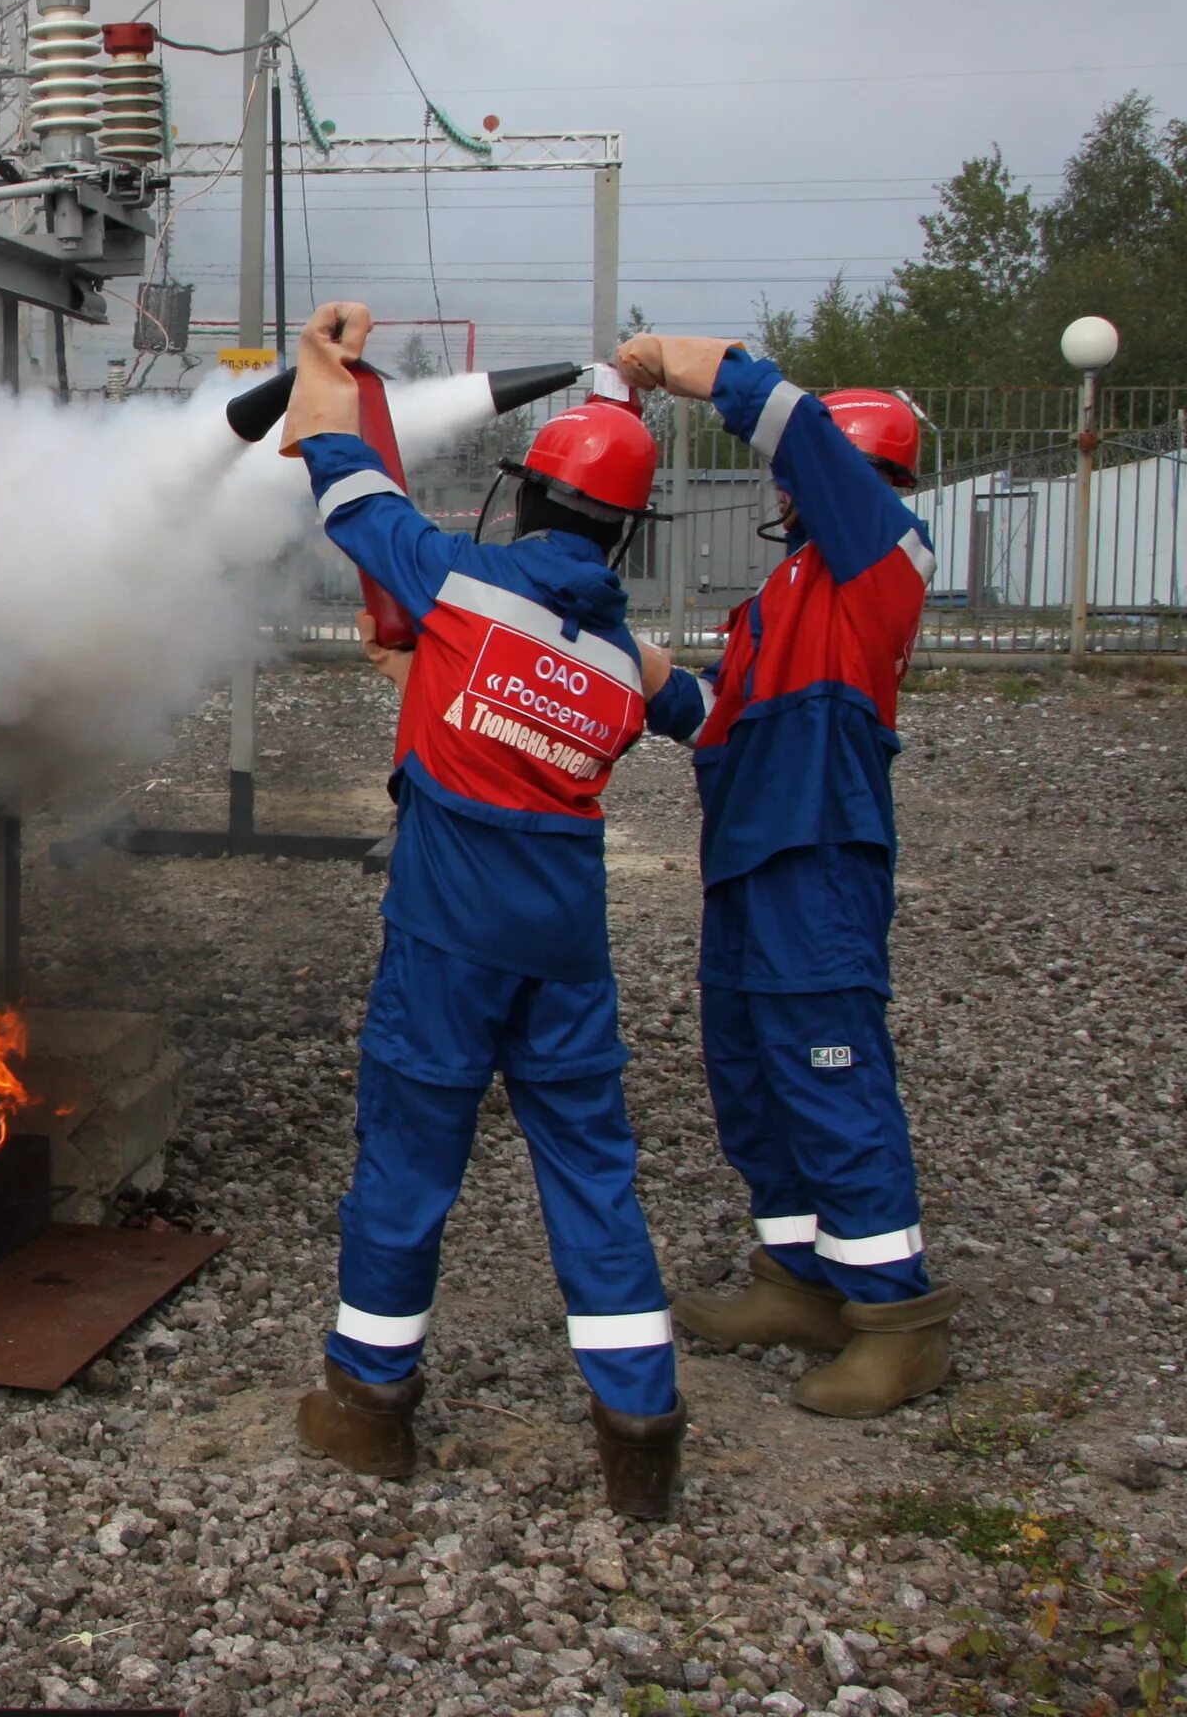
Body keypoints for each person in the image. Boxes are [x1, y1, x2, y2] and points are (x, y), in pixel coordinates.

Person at [285, 300, 690, 1519]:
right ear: (622, 539)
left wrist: (326, 363)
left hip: (449, 944)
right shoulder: (626, 665)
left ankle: (368, 1404)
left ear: (522, 498)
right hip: (565, 956)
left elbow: (336, 466)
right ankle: (639, 1429)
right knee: (593, 1174)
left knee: (409, 1166)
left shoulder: (458, 582)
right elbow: (701, 710)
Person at [614, 334, 955, 1418]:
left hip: (816, 860)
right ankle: (798, 1278)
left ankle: (897, 1320)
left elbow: (798, 430)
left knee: (831, 1075)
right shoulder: (784, 595)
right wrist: (611, 651)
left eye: (793, 472)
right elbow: (712, 714)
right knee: (754, 1074)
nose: (777, 483)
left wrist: (696, 364)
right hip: (750, 865)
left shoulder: (877, 559)